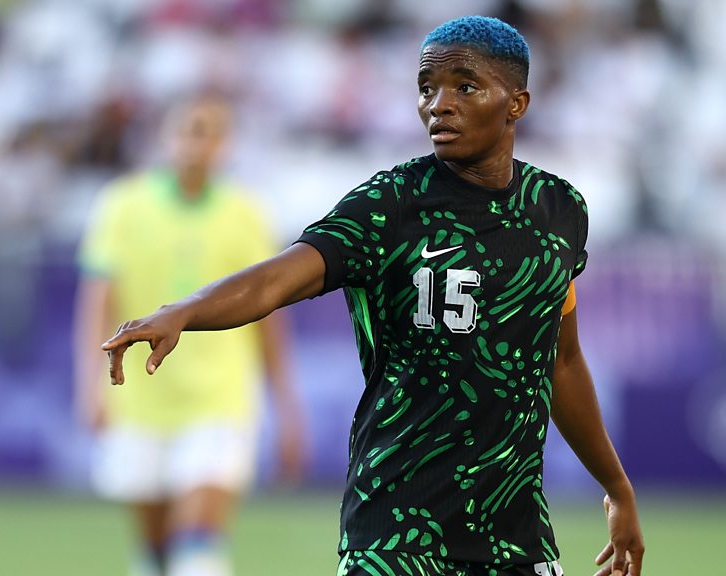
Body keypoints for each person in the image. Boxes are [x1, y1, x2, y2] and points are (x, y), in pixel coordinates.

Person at [103, 16, 644, 576]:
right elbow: (275, 280)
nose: (438, 105)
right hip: (395, 537)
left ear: (517, 103)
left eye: (464, 86)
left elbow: (561, 359)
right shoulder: (390, 205)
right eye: (427, 88)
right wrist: (183, 312)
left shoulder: (557, 209)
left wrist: (617, 487)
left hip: (516, 543)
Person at [74, 92, 305, 576]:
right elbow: (98, 303)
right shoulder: (122, 205)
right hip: (138, 397)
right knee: (156, 551)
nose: (195, 142)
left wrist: (286, 408)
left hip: (218, 400)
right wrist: (89, 384)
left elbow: (268, 316)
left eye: (208, 132)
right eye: (187, 129)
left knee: (196, 540)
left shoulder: (245, 212)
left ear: (224, 144)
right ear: (165, 137)